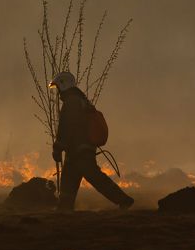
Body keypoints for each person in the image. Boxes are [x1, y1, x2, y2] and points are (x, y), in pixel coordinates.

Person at [49, 71, 134, 211]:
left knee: (95, 177)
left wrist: (58, 147)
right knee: (69, 180)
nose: (57, 92)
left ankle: (124, 201)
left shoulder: (72, 102)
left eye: (57, 87)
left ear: (63, 85)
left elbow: (66, 126)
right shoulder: (80, 100)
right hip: (78, 150)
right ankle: (64, 209)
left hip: (80, 150)